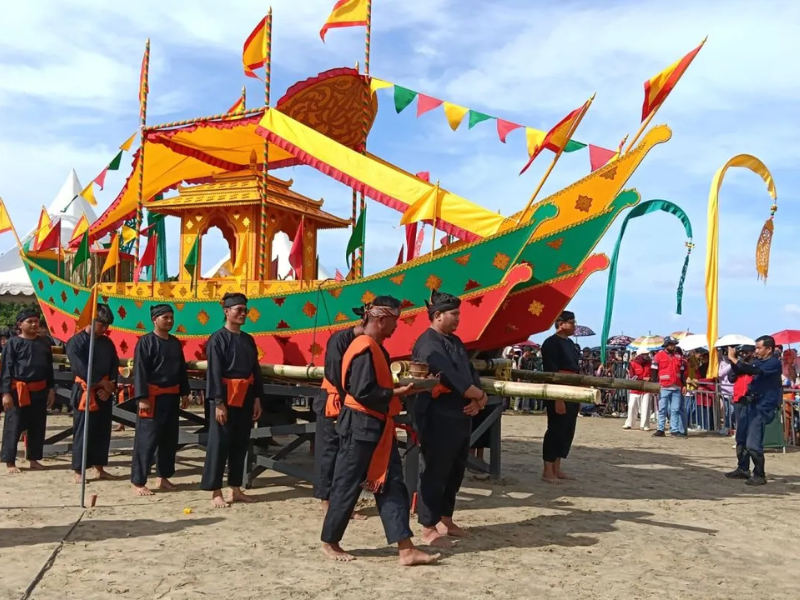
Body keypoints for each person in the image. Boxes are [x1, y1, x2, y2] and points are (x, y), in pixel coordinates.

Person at [320, 296, 439, 566]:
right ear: (382, 319)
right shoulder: (364, 348)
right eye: (395, 321)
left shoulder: (374, 348)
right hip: (360, 425)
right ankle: (330, 541)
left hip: (376, 425)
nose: (397, 326)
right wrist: (400, 392)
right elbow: (363, 392)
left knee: (392, 484)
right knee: (346, 484)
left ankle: (406, 549)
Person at [412, 290, 487, 547]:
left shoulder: (455, 342)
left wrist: (478, 399)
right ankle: (428, 527)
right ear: (437, 315)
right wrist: (474, 394)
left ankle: (446, 519)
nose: (457, 319)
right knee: (435, 471)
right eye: (454, 314)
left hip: (460, 413)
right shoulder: (428, 344)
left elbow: (468, 372)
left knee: (455, 470)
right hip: (436, 415)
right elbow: (447, 376)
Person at [200, 293, 263, 508]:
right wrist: (218, 402)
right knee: (219, 445)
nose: (243, 314)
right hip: (224, 396)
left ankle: (235, 488)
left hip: (245, 395)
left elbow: (255, 371)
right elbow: (214, 373)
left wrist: (256, 398)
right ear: (227, 311)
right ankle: (215, 491)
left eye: (245, 310)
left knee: (240, 444)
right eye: (239, 310)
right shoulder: (217, 339)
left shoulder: (248, 339)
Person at [130, 304, 191, 496]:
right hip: (152, 397)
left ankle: (163, 476)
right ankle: (138, 482)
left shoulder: (174, 343)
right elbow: (140, 371)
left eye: (171, 317)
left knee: (169, 439)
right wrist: (142, 397)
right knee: (146, 440)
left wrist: (184, 392)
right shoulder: (146, 342)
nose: (170, 320)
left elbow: (181, 369)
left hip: (171, 396)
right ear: (155, 319)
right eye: (165, 317)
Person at [312, 305, 365, 518]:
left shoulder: (369, 341)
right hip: (335, 399)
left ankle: (344, 503)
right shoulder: (340, 339)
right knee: (329, 452)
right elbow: (335, 373)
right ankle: (327, 501)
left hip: (353, 401)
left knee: (349, 456)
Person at [66, 304, 120, 483]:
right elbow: (80, 368)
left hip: (104, 391)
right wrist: (99, 382)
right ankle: (79, 471)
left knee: (102, 431)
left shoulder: (107, 342)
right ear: (92, 320)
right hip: (84, 391)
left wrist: (110, 385)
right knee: (83, 431)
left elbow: (114, 364)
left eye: (107, 326)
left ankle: (99, 467)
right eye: (102, 324)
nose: (105, 329)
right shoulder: (75, 341)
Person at [1, 309, 55, 473]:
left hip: (39, 389)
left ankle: (33, 458)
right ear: (20, 324)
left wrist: (51, 389)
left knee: (37, 425)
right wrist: (5, 393)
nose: (33, 324)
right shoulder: (13, 342)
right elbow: (6, 368)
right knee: (14, 424)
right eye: (29, 321)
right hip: (18, 390)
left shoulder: (45, 342)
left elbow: (49, 368)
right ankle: (10, 461)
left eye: (36, 321)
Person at [725, 337, 782, 485]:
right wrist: (734, 360)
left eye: (758, 348)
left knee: (753, 443)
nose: (756, 351)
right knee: (741, 439)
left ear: (768, 349)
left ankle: (759, 474)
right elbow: (737, 373)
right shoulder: (757, 360)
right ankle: (743, 469)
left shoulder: (773, 363)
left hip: (763, 407)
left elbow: (753, 370)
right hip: (750, 404)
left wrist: (734, 358)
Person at [540, 310, 581, 484]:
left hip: (573, 388)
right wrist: (558, 397)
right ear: (561, 323)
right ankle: (547, 470)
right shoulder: (550, 343)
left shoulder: (571, 344)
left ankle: (557, 467)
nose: (574, 326)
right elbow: (551, 371)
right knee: (556, 428)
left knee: (567, 429)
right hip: (558, 388)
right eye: (571, 322)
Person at [650, 336, 687, 438]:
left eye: (674, 344)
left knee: (675, 410)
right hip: (664, 386)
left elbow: (682, 372)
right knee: (662, 409)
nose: (673, 346)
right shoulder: (658, 356)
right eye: (671, 344)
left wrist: (684, 385)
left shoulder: (679, 357)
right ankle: (660, 429)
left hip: (677, 387)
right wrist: (653, 385)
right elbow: (654, 371)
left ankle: (674, 430)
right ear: (666, 345)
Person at [623, 348, 652, 431]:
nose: (647, 356)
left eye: (647, 354)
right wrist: (643, 378)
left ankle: (645, 425)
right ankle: (629, 423)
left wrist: (649, 379)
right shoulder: (632, 364)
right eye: (645, 354)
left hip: (646, 388)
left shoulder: (650, 363)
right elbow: (632, 377)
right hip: (635, 389)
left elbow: (652, 375)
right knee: (632, 406)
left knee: (646, 407)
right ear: (640, 355)